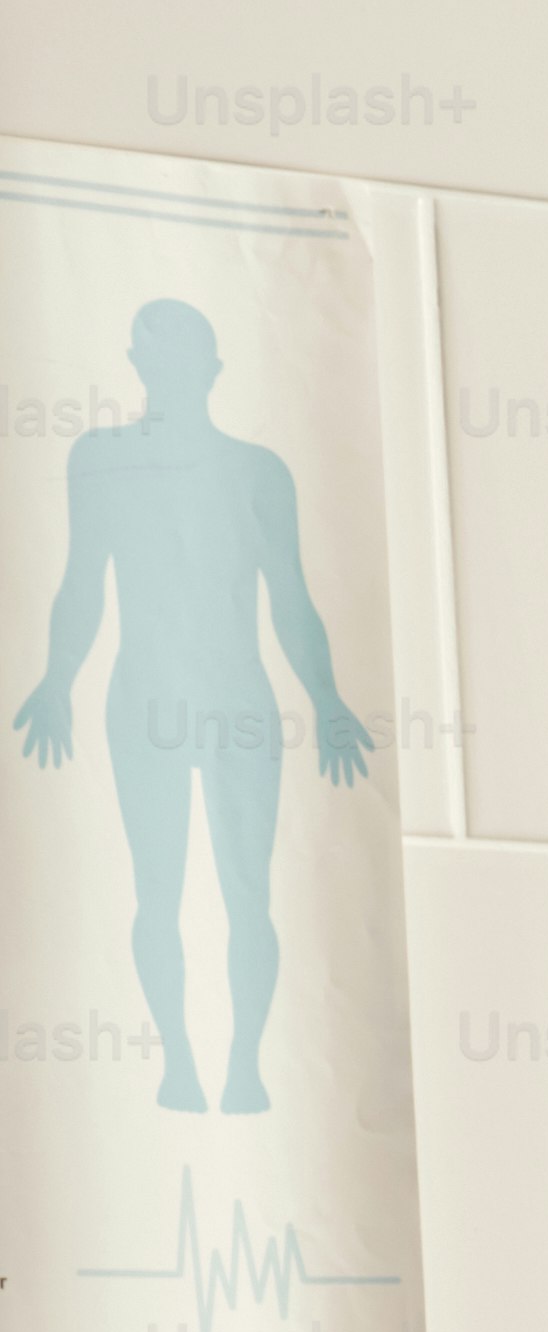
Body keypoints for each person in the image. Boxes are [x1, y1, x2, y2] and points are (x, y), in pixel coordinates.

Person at [13, 298, 375, 1115]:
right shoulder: (101, 462)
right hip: (147, 700)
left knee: (246, 891)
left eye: (184, 362)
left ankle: (241, 1065)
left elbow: (291, 600)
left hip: (233, 702)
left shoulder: (256, 472)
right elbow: (81, 584)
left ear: (209, 372)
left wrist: (327, 699)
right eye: (159, 360)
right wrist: (57, 678)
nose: (171, 374)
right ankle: (181, 1061)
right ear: (141, 368)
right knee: (162, 891)